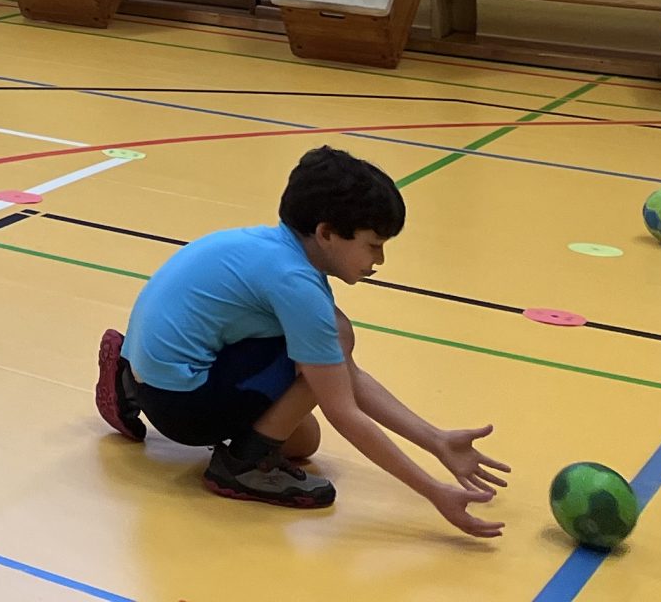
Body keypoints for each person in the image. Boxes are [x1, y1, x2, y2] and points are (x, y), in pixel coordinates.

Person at [98, 146, 508, 532]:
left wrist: (436, 441)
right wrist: (433, 491)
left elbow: (346, 377)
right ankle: (243, 466)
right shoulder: (296, 283)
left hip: (155, 376)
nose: (380, 260)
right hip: (183, 411)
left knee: (304, 438)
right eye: (373, 245)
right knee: (332, 340)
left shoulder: (267, 245)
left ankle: (126, 382)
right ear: (326, 232)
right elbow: (342, 409)